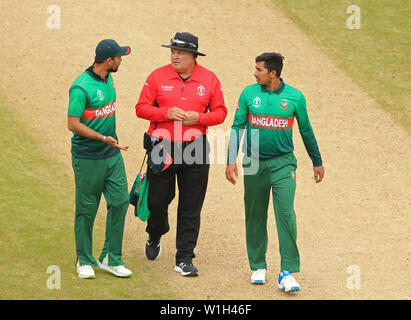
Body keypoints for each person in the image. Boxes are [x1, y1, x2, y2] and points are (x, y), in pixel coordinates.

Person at [226, 52, 324, 292]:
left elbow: (306, 130)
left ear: (273, 72)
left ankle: (287, 272)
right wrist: (231, 160)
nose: (254, 73)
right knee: (255, 214)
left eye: (259, 69)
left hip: (283, 164)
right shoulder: (249, 93)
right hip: (253, 163)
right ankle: (258, 266)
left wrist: (316, 160)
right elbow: (238, 127)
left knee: (286, 214)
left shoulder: (295, 97)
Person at [135, 32, 227, 276]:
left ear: (193, 56)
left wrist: (201, 118)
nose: (174, 56)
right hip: (161, 146)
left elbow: (221, 112)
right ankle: (155, 233)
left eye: (180, 53)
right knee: (156, 201)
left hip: (195, 148)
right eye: (172, 51)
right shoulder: (157, 76)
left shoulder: (209, 79)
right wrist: (165, 113)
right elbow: (141, 108)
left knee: (191, 205)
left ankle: (184, 258)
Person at [68, 39, 133, 279]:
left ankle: (110, 258)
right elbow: (72, 124)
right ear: (109, 61)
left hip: (112, 154)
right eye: (119, 57)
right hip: (87, 157)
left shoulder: (109, 79)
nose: (121, 60)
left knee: (120, 201)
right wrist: (101, 137)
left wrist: (109, 140)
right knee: (87, 209)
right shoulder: (81, 88)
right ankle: (84, 259)